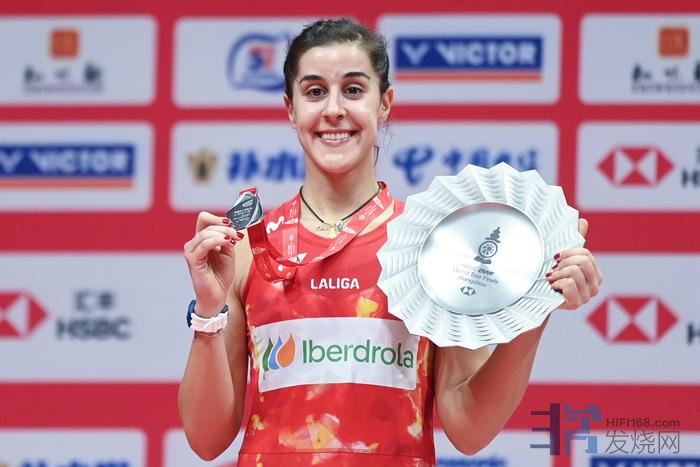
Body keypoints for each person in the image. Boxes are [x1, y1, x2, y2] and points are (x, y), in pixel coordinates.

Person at [179, 18, 603, 466]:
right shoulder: (250, 249)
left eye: (353, 90)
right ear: (291, 108)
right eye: (315, 91)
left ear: (384, 104)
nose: (334, 109)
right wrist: (208, 312)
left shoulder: (433, 247)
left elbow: (468, 427)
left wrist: (537, 307)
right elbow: (207, 440)